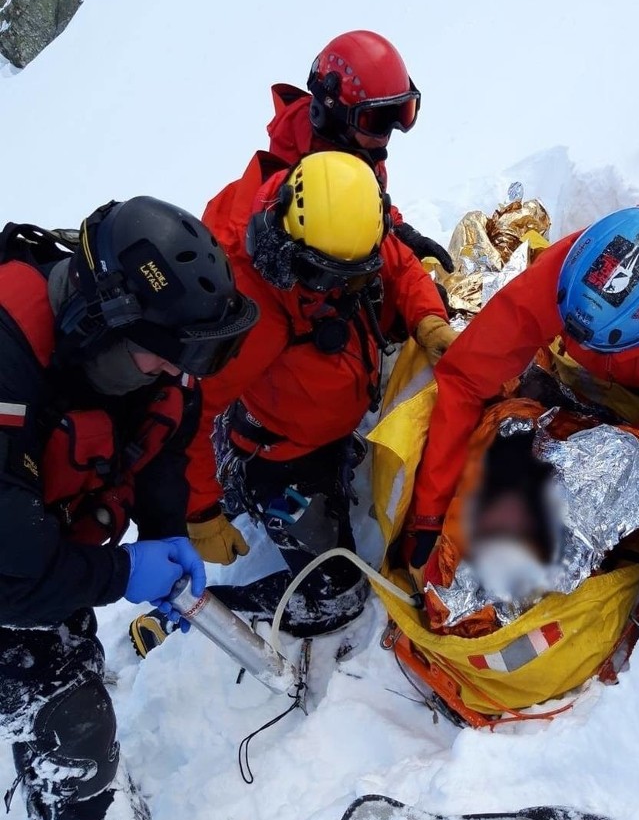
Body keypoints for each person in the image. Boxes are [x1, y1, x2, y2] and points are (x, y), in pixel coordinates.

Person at [0, 197, 257, 820]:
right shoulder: (9, 366)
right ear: (103, 328)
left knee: (67, 646)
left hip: (39, 534)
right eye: (172, 354)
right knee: (67, 705)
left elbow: (163, 447)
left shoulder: (147, 368)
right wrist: (119, 572)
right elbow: (11, 583)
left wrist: (166, 531)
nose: (186, 370)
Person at [132, 151, 456, 648]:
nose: (348, 288)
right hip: (282, 454)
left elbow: (399, 264)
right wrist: (198, 514)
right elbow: (188, 412)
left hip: (326, 420)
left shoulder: (342, 233)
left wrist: (427, 317)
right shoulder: (248, 313)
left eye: (355, 275)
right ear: (293, 251)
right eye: (334, 277)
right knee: (335, 595)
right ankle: (196, 615)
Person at [408, 205, 639, 626]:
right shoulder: (570, 274)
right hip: (617, 359)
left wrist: (588, 506)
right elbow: (466, 377)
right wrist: (428, 515)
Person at [230, 29, 454, 273]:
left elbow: (365, 207)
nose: (388, 133)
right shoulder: (276, 199)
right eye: (375, 120)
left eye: (401, 113)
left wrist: (401, 232)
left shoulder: (355, 152)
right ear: (330, 115)